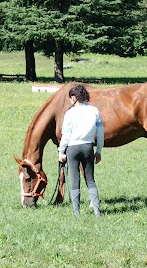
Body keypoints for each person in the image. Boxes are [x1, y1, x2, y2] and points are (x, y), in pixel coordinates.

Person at [58, 84, 104, 216]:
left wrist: (61, 152)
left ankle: (76, 212)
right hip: (88, 147)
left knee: (75, 180)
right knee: (90, 179)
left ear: (74, 98)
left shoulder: (69, 113)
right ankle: (97, 211)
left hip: (72, 149)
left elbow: (66, 135)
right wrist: (99, 150)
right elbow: (100, 133)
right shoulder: (94, 111)